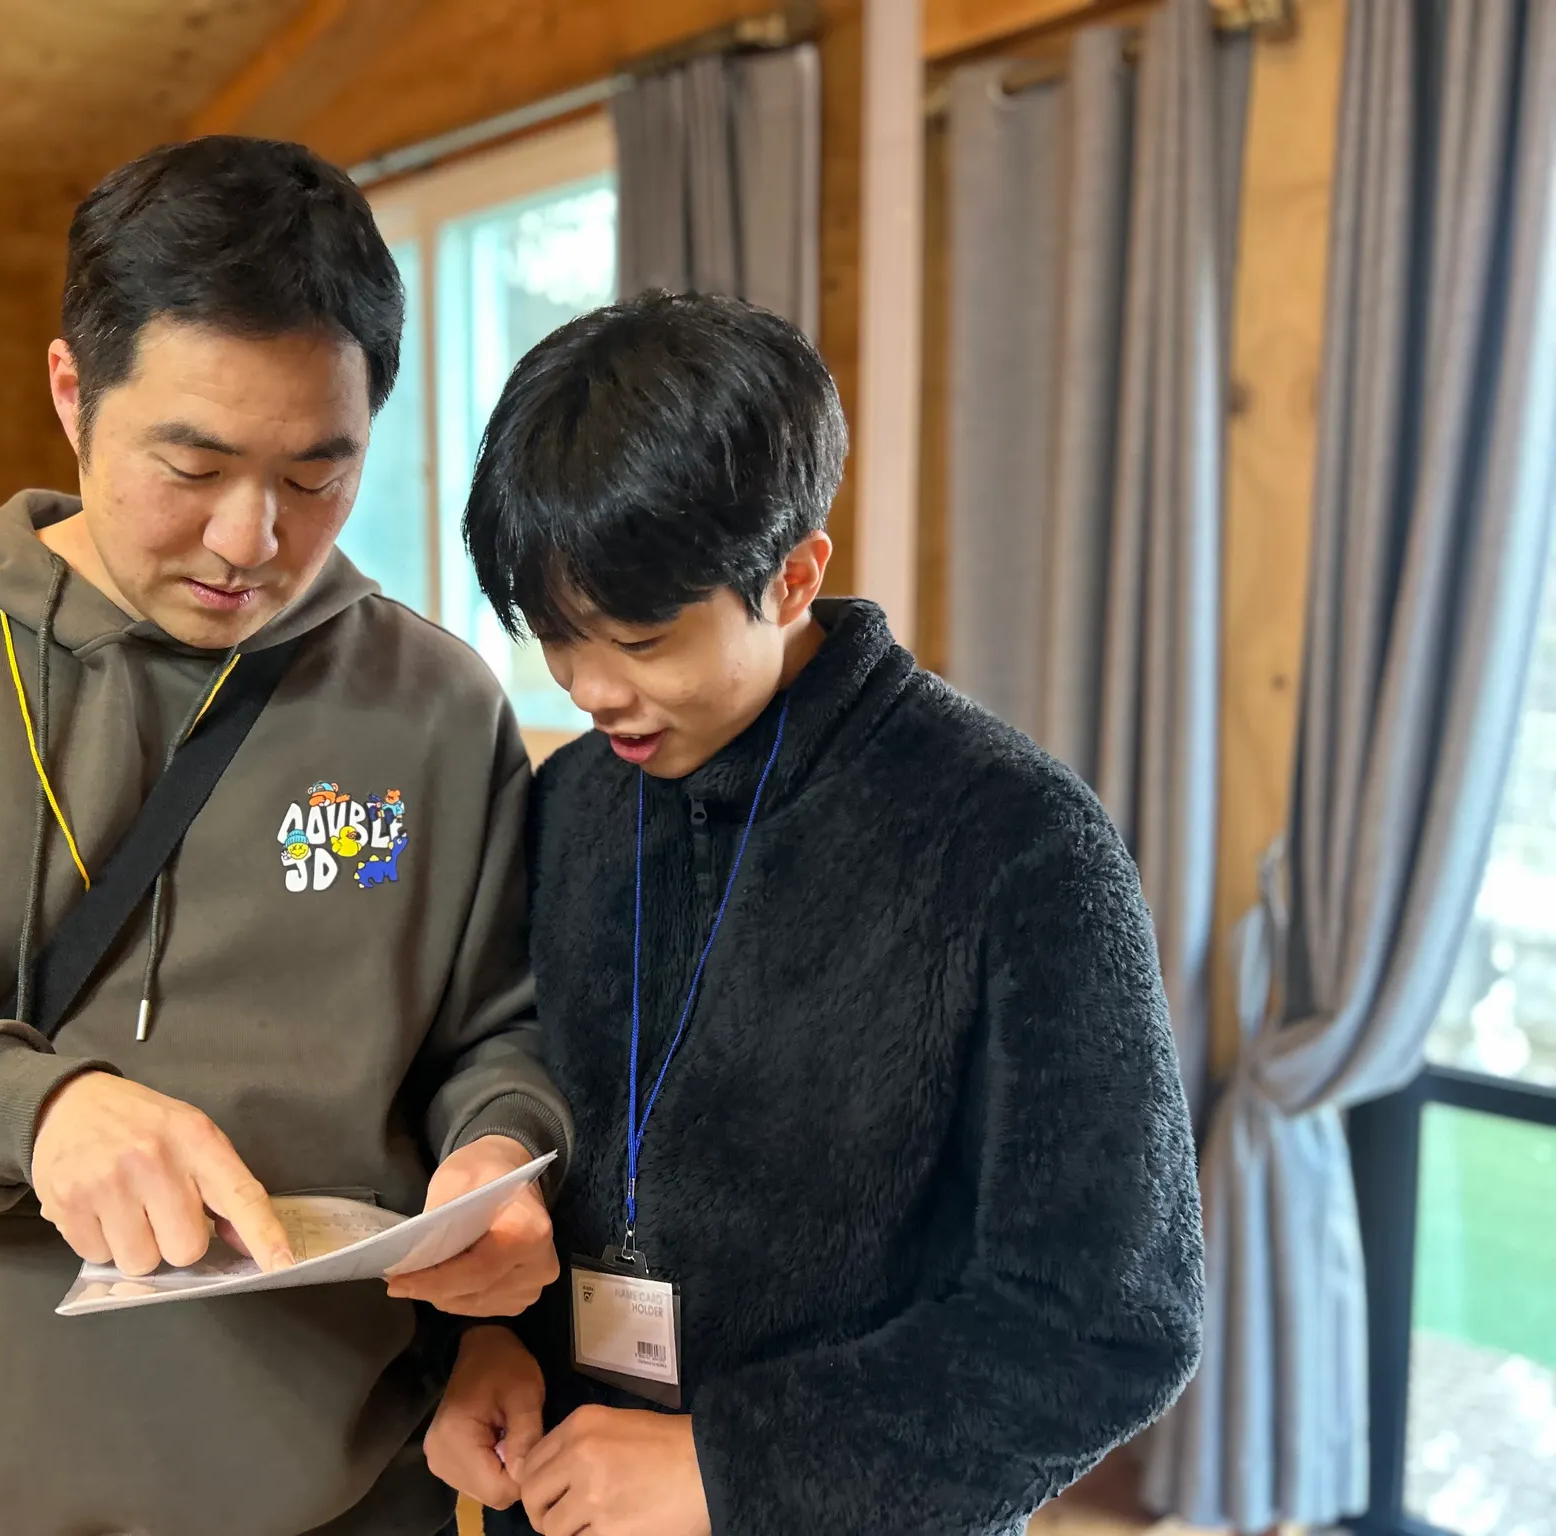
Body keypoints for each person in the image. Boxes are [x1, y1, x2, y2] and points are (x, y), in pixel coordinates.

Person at [0, 136, 571, 1536]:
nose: (250, 540)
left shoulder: (436, 705)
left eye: (316, 476)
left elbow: (500, 1030)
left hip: (357, 1494)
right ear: (71, 393)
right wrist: (25, 1110)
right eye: (191, 465)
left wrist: (501, 1153)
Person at [427, 291, 1204, 1536]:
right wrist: (487, 1346)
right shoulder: (571, 802)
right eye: (556, 640)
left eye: (640, 640)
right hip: (561, 1503)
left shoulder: (1013, 840)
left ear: (792, 576)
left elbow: (1106, 1326)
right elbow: (525, 1135)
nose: (589, 690)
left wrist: (728, 1466)